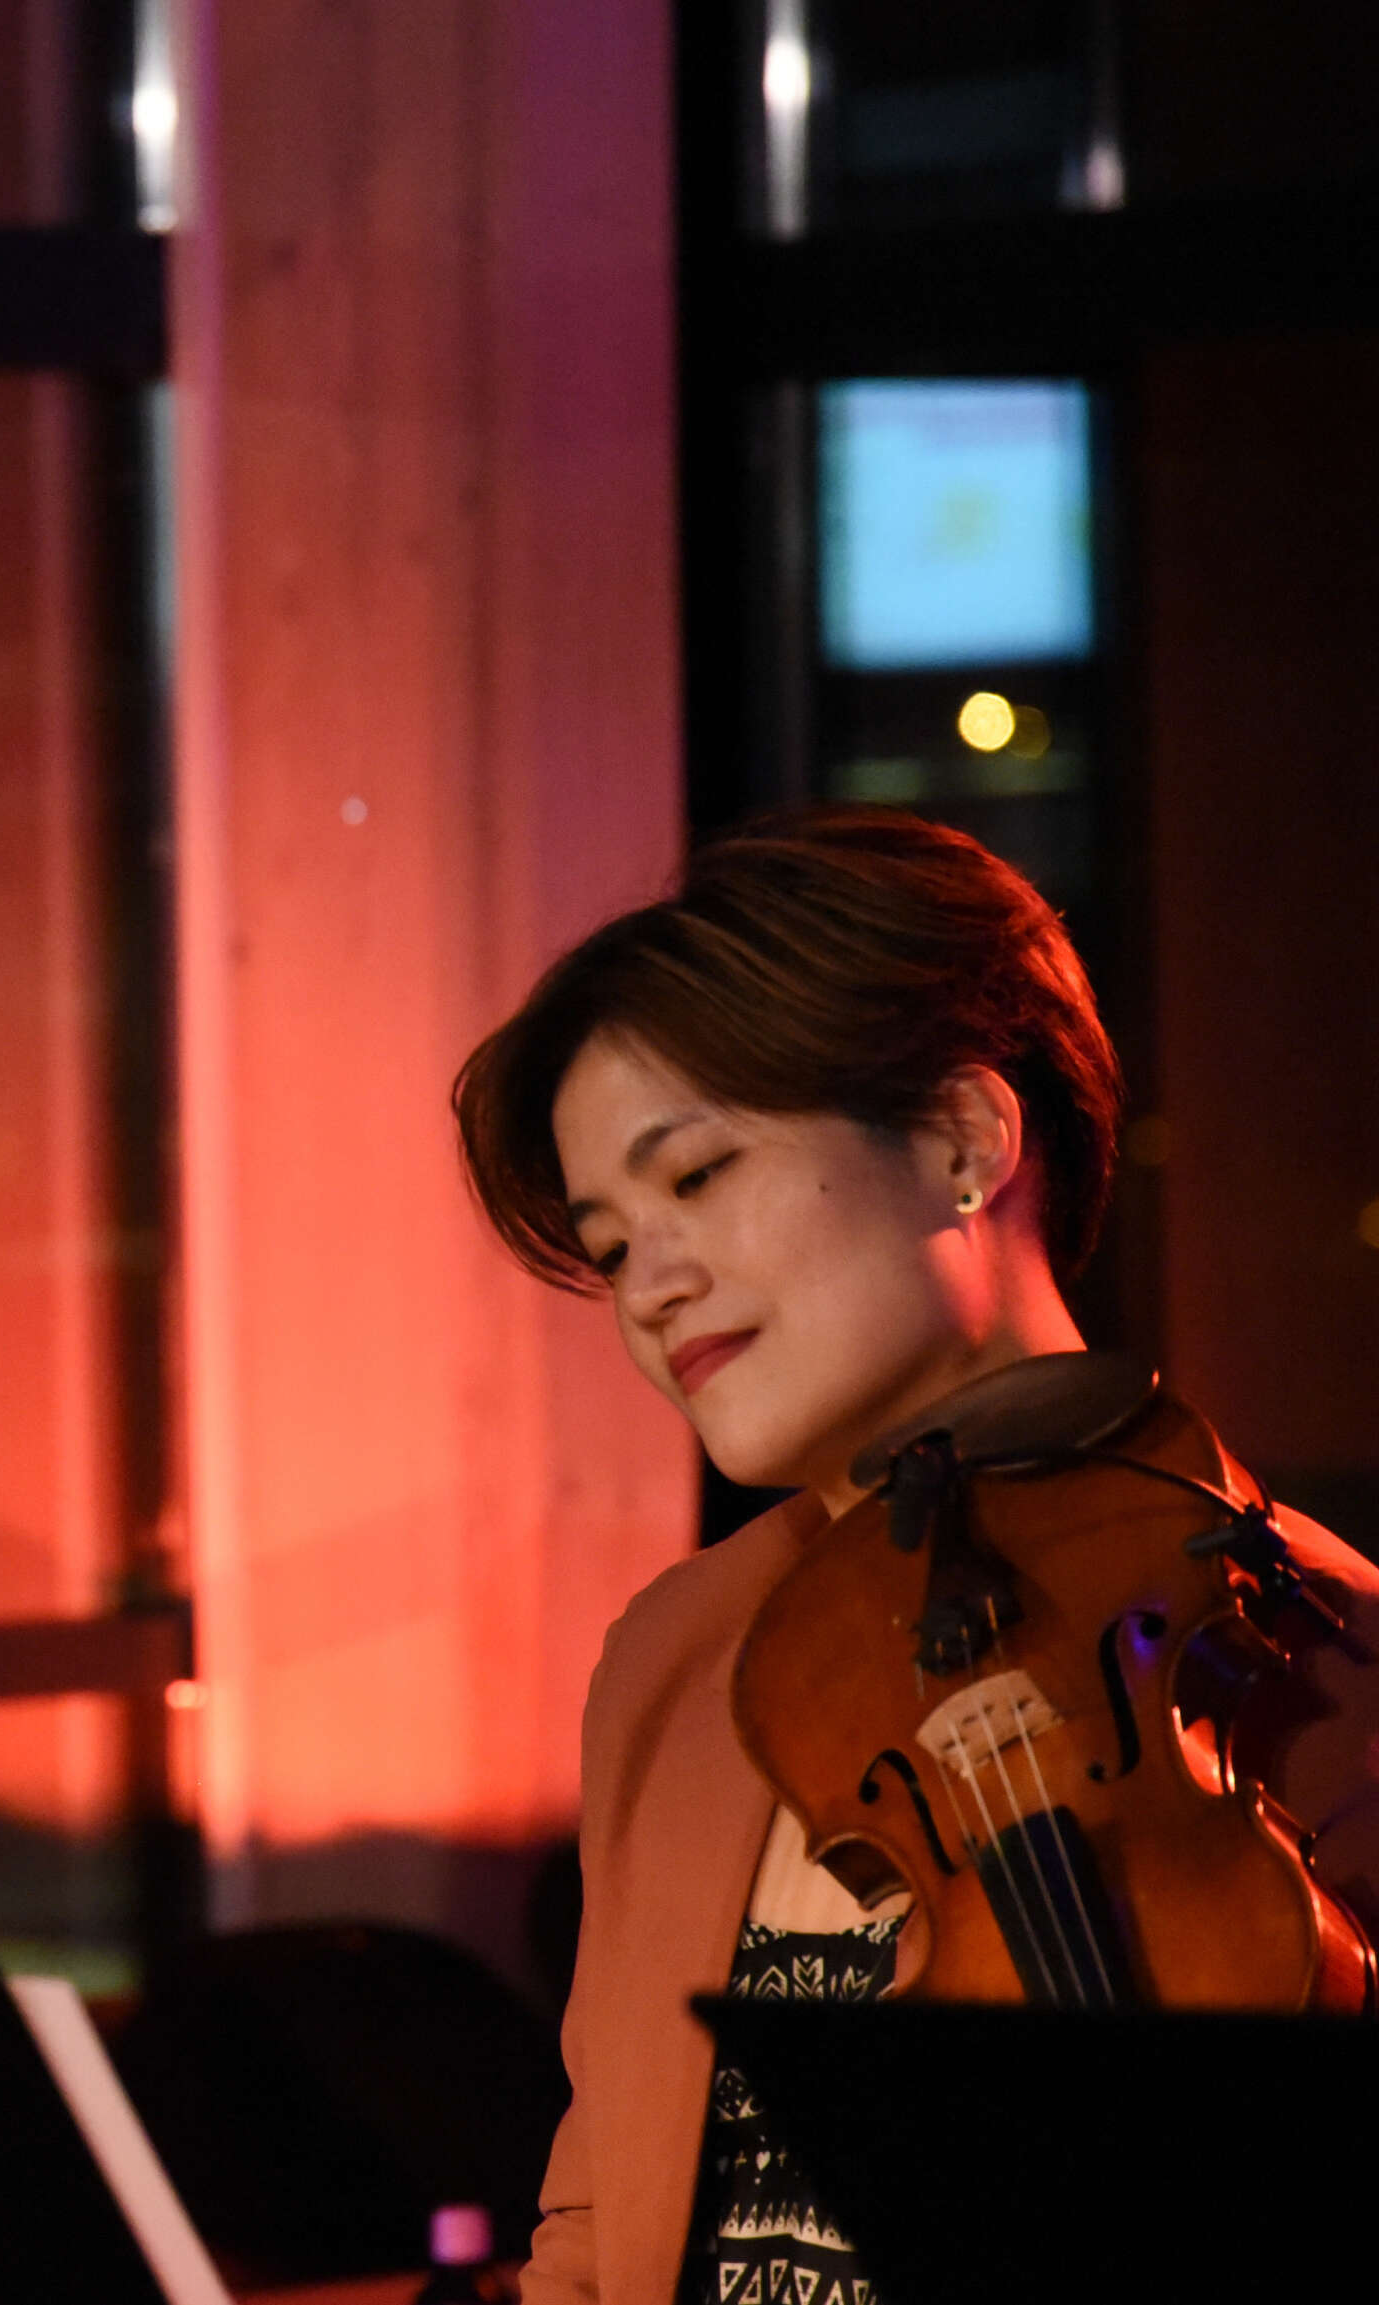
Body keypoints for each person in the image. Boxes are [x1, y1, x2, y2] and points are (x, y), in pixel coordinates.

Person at [450, 807, 1379, 2303]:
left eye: (698, 1175)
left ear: (962, 1139)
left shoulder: (1305, 1650)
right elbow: (595, 2240)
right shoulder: (677, 1657)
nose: (649, 1287)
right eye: (611, 1245)